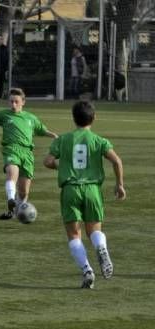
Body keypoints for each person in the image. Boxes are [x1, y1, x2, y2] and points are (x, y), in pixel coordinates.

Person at [43, 101, 125, 289]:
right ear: (93, 118)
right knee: (94, 231)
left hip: (70, 189)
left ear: (73, 118)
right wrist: (119, 184)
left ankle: (87, 270)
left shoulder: (62, 140)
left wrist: (59, 166)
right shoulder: (99, 140)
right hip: (92, 191)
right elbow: (117, 161)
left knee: (74, 235)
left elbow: (47, 161)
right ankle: (101, 248)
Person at [0, 87, 58, 219]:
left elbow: (42, 130)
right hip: (11, 149)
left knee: (24, 192)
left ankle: (14, 212)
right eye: (11, 101)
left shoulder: (31, 118)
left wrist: (54, 135)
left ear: (23, 102)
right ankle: (11, 199)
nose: (13, 104)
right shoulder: (3, 115)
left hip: (27, 153)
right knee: (12, 172)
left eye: (16, 101)